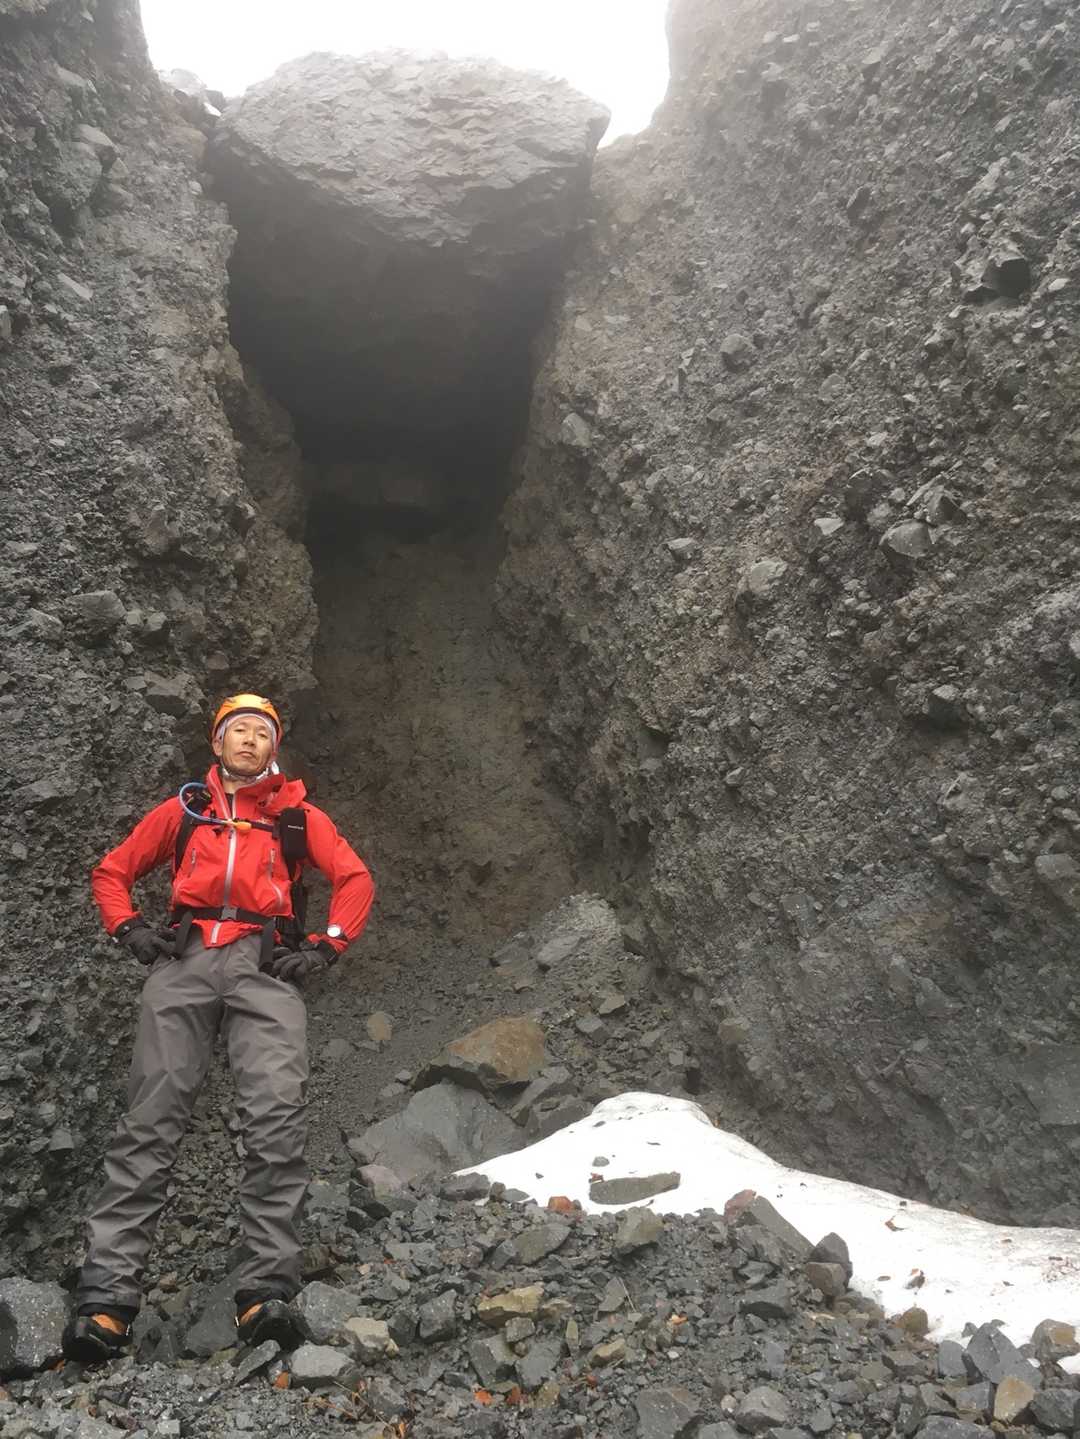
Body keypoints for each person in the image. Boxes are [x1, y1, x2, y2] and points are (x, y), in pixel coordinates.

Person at [63, 693, 374, 1362]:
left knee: (276, 1114)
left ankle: (266, 1290)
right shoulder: (186, 811)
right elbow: (113, 871)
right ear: (217, 742)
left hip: (265, 963)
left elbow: (354, 878)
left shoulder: (297, 817)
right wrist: (129, 928)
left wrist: (325, 946)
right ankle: (106, 1300)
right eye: (239, 729)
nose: (251, 739)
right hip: (186, 960)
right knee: (150, 1117)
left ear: (274, 748)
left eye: (263, 731)